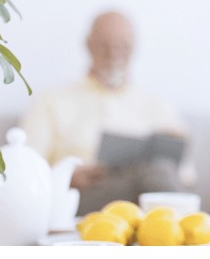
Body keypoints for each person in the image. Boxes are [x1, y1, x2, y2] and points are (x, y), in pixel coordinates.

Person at [20, 11, 188, 215]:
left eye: (123, 46)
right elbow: (24, 169)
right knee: (153, 176)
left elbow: (186, 177)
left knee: (157, 171)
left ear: (134, 48)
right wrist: (69, 177)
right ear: (88, 44)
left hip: (147, 203)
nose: (114, 54)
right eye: (104, 45)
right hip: (82, 198)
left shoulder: (159, 106)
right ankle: (191, 233)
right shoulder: (52, 100)